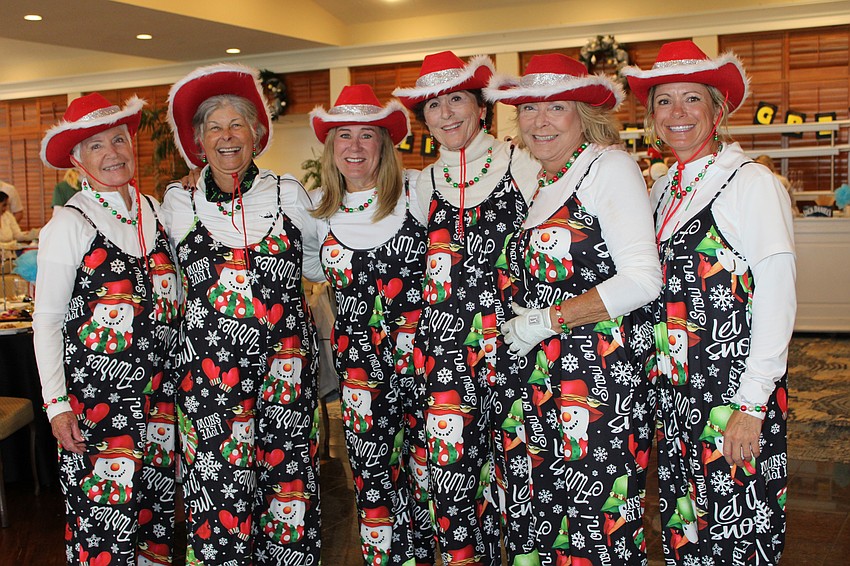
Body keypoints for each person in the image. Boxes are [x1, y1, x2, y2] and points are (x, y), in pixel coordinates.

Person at [484, 53, 662, 564]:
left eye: (556, 107)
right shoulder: (543, 178)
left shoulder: (609, 167)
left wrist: (548, 320)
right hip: (540, 376)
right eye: (531, 109)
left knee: (596, 524)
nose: (541, 121)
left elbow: (643, 279)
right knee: (549, 518)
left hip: (598, 378)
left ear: (583, 115)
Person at [622, 40, 795, 564]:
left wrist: (751, 404)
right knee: (684, 530)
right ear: (651, 116)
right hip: (671, 397)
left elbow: (778, 293)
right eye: (664, 101)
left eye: (691, 99)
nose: (677, 113)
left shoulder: (751, 183)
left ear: (718, 109)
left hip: (732, 395)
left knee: (739, 533)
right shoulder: (658, 190)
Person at [161, 63, 321, 565]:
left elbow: (320, 262)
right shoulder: (176, 201)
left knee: (290, 487)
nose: (227, 137)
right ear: (198, 140)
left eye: (237, 126)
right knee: (218, 496)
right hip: (210, 380)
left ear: (256, 134)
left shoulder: (290, 194)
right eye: (214, 127)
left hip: (287, 373)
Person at [392, 51, 540, 565]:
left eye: (457, 99)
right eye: (434, 105)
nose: (446, 113)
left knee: (521, 484)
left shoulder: (522, 165)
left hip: (515, 353)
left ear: (481, 108)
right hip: (442, 363)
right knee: (453, 487)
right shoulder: (418, 184)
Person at [33, 93, 181, 563]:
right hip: (96, 406)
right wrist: (56, 406)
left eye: (119, 139)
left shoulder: (154, 210)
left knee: (154, 518)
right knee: (103, 527)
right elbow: (47, 321)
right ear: (76, 159)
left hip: (159, 398)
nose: (113, 151)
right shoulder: (68, 223)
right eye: (96, 145)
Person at [306, 83, 434, 566]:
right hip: (359, 375)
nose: (354, 147)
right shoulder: (318, 210)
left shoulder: (418, 192)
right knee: (375, 482)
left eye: (366, 135)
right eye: (343, 136)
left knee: (432, 481)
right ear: (330, 146)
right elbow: (315, 272)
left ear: (384, 142)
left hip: (425, 367)